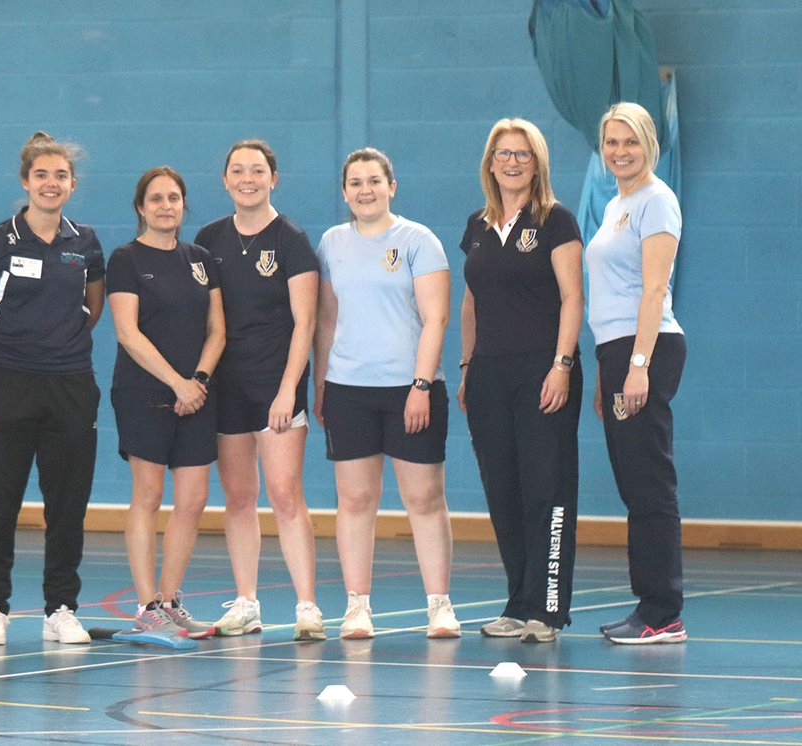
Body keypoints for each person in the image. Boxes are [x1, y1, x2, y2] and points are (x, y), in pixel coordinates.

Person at [0, 132, 105, 646]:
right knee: (0, 504)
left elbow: (94, 308)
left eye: (60, 175)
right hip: (5, 386)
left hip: (70, 386)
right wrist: (1, 353)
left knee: (68, 506)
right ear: (26, 181)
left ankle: (60, 607)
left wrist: (59, 348)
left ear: (72, 184)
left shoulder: (85, 242)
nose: (51, 183)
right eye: (42, 175)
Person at [314, 147, 461, 640]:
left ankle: (439, 605)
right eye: (355, 182)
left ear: (391, 185)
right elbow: (327, 319)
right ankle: (357, 606)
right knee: (355, 499)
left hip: (410, 389)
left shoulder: (419, 240)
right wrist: (321, 383)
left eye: (374, 180)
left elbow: (435, 318)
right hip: (348, 389)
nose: (365, 190)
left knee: (423, 498)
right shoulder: (332, 243)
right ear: (344, 192)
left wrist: (420, 385)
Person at [458, 119, 584, 644]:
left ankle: (547, 607)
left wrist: (562, 364)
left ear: (538, 163)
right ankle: (517, 600)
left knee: (545, 490)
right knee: (503, 491)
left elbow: (573, 298)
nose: (512, 162)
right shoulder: (478, 225)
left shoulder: (556, 221)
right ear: (490, 162)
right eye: (503, 153)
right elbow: (471, 303)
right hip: (488, 376)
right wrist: (467, 369)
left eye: (523, 154)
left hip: (542, 373)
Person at [193, 140, 324, 641]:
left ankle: (307, 605)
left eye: (257, 170)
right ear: (225, 180)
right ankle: (246, 601)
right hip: (226, 388)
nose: (247, 178)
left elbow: (305, 321)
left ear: (274, 177)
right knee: (239, 497)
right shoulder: (208, 239)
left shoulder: (291, 240)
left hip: (276, 385)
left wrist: (289, 389)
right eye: (237, 170)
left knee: (286, 495)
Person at [108, 166, 225, 639]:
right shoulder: (126, 259)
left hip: (196, 394)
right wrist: (176, 383)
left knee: (194, 499)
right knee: (150, 494)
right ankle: (146, 604)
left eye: (173, 198)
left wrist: (196, 381)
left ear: (183, 204)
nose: (165, 206)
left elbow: (218, 330)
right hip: (145, 392)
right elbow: (127, 332)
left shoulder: (201, 259)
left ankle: (172, 599)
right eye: (155, 199)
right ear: (141, 207)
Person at [586, 102, 688, 645]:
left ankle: (663, 612)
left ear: (649, 143)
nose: (620, 152)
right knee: (633, 484)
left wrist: (638, 367)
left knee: (650, 482)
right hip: (617, 353)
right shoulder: (616, 205)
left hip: (645, 348)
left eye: (630, 142)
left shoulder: (657, 201)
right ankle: (647, 604)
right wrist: (614, 371)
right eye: (611, 143)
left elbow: (654, 289)